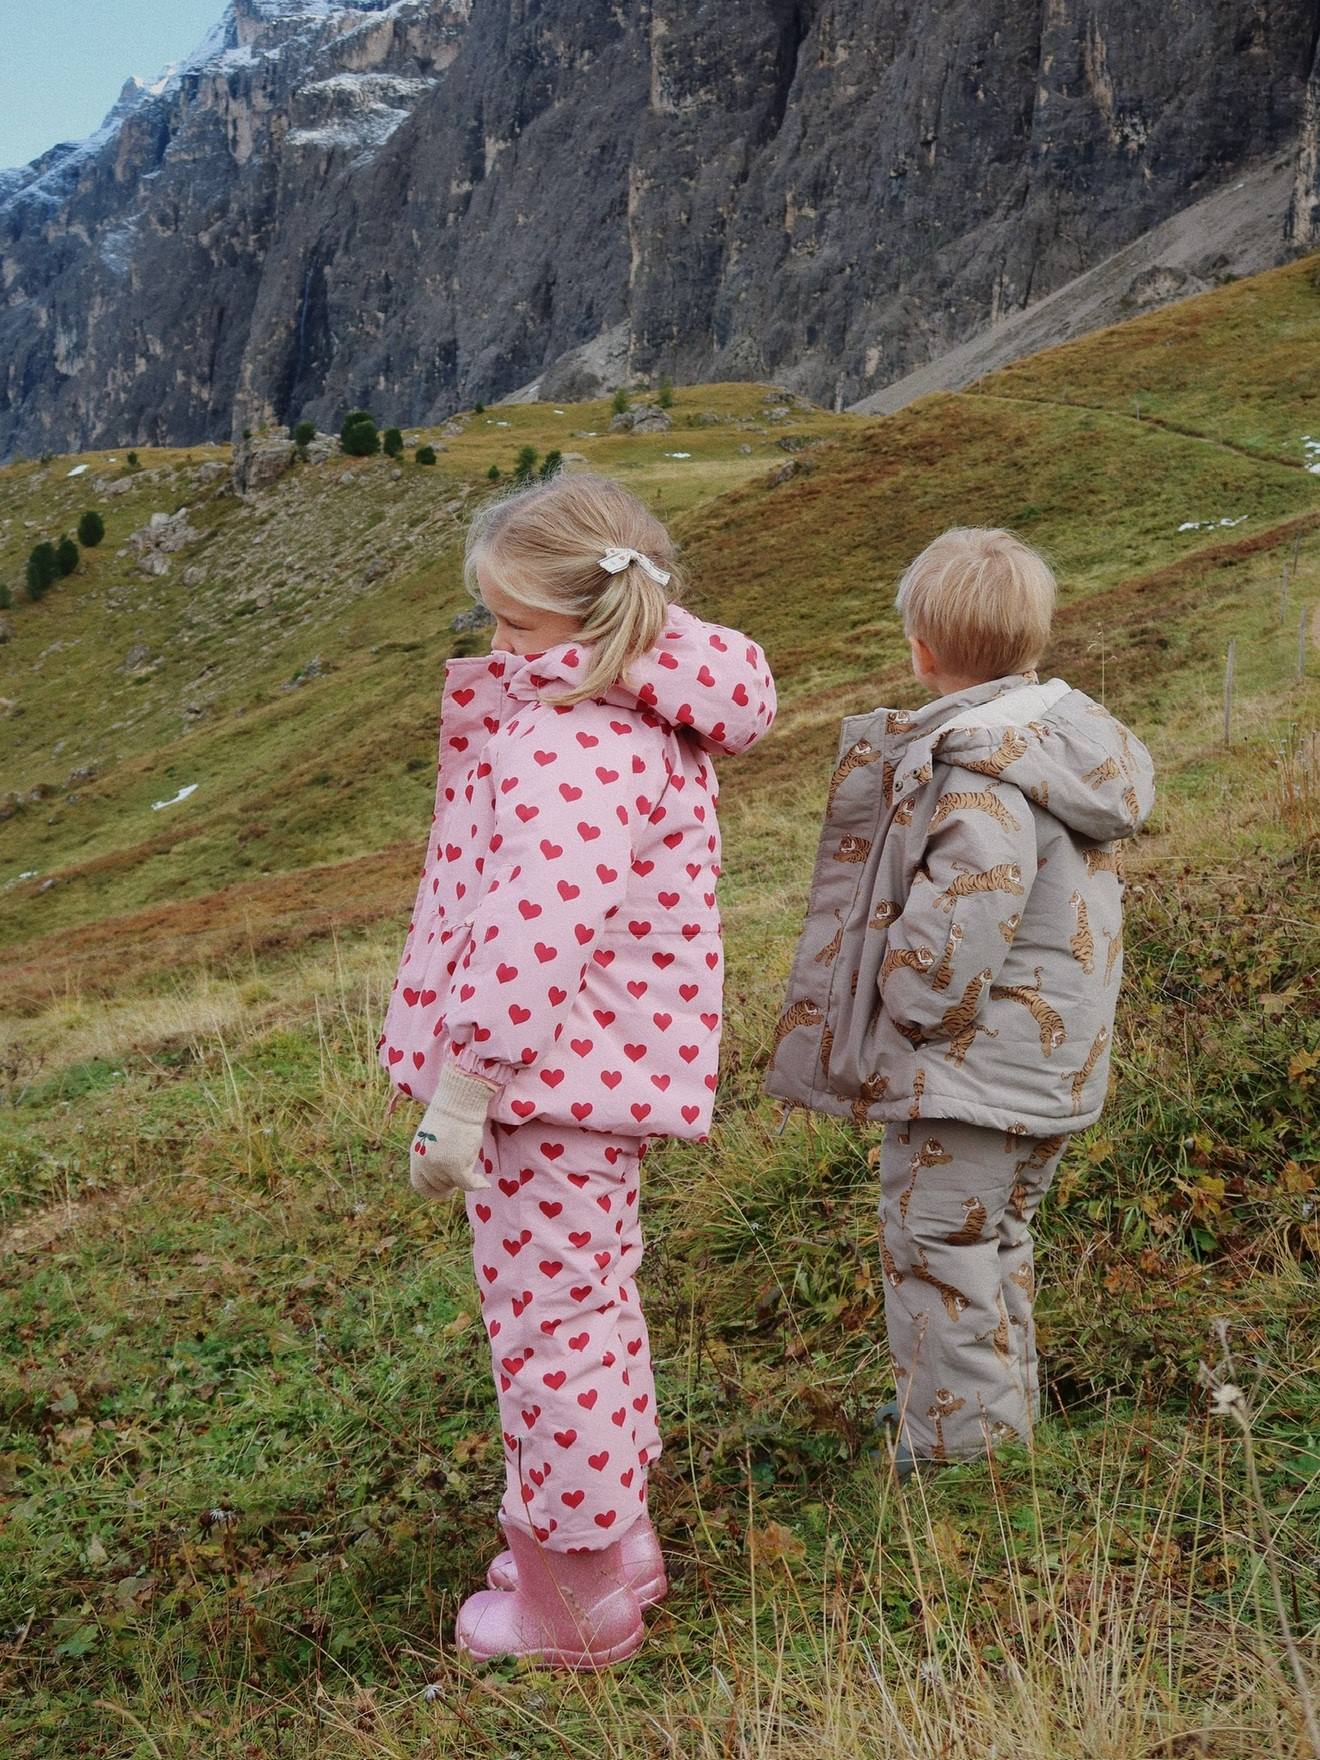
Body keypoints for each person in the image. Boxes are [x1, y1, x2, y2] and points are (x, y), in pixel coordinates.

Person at [376, 471, 776, 1667]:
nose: (497, 644)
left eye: (513, 622)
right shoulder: (638, 711)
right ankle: (604, 1541)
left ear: (584, 617)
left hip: (538, 1089)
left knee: (547, 1329)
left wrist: (465, 1087)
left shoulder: (571, 736)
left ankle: (576, 1600)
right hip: (587, 1080)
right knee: (590, 1305)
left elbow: (529, 931)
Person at [765, 527, 1154, 1472]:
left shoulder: (979, 771)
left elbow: (959, 933)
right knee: (991, 1243)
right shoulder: (1058, 750)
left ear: (920, 650)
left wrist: (904, 992)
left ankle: (960, 1469)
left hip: (969, 1071)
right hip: (1040, 1067)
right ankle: (1004, 1430)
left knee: (939, 1251)